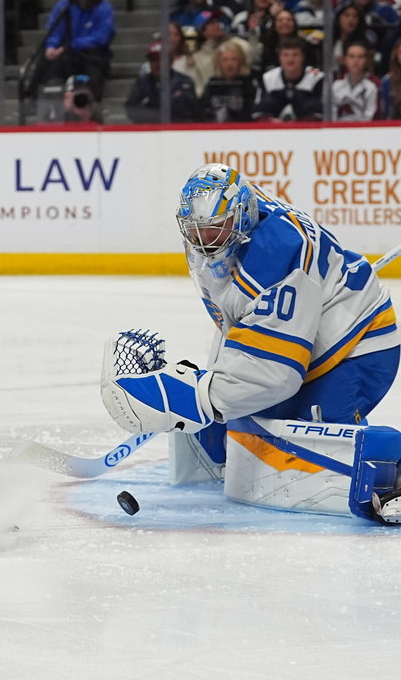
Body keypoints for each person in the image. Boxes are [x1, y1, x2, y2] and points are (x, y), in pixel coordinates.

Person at [101, 163, 401, 524]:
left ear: (241, 217)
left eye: (215, 230)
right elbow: (241, 321)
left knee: (305, 444)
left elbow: (275, 375)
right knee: (250, 420)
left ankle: (391, 479)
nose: (205, 241)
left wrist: (198, 397)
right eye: (196, 231)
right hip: (306, 327)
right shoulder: (225, 231)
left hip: (355, 345)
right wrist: (217, 384)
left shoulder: (277, 256)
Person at [31, 0, 114, 102]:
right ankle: (33, 98)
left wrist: (73, 45)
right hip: (67, 54)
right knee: (46, 58)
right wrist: (51, 47)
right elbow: (53, 30)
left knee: (94, 56)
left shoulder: (104, 8)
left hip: (91, 54)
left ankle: (93, 102)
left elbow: (102, 37)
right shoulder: (64, 6)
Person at [125, 40, 199, 123]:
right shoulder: (142, 83)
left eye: (162, 59)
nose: (158, 64)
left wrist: (151, 107)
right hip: (150, 132)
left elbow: (190, 111)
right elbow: (131, 109)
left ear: (171, 61)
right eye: (154, 59)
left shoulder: (184, 82)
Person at [253, 35, 323, 120]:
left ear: (303, 57)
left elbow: (320, 113)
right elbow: (259, 113)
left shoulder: (316, 77)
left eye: (295, 55)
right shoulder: (268, 78)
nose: (290, 59)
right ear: (279, 57)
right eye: (285, 55)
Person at [199, 39, 255, 121]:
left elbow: (250, 112)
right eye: (225, 60)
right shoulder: (213, 82)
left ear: (240, 62)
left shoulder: (247, 83)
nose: (229, 64)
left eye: (234, 59)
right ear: (219, 63)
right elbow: (202, 109)